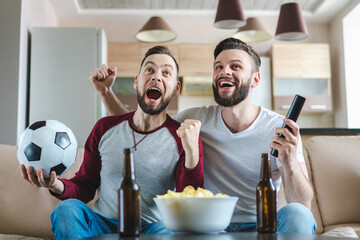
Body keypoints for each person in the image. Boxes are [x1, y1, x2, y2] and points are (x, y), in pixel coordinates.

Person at [94, 38, 316, 234]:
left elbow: (303, 203)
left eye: (235, 66)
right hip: (210, 226)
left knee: (298, 214)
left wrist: (289, 162)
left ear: (255, 79)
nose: (224, 71)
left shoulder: (279, 128)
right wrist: (106, 93)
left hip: (264, 224)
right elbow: (140, 123)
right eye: (218, 66)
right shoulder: (195, 119)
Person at [20, 46, 204, 239]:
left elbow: (188, 204)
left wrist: (192, 155)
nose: (156, 77)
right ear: (136, 81)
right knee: (66, 210)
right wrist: (56, 185)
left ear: (176, 88)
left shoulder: (183, 136)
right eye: (149, 70)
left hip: (151, 230)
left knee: (169, 232)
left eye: (166, 73)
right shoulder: (104, 128)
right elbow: (85, 186)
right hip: (103, 225)